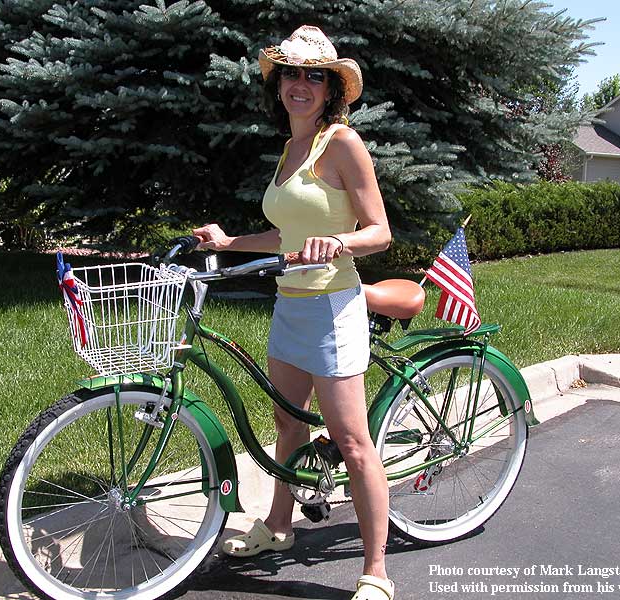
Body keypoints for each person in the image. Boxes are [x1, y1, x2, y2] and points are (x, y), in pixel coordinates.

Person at [193, 25, 394, 600]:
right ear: (278, 83)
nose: (300, 84)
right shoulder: (290, 149)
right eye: (292, 73)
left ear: (331, 88)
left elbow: (379, 232)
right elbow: (286, 233)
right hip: (291, 303)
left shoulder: (343, 144)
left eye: (314, 75)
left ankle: (376, 570)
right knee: (287, 423)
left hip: (333, 306)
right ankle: (278, 527)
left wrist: (339, 242)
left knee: (352, 442)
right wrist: (228, 241)